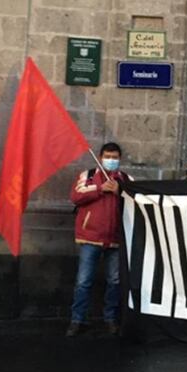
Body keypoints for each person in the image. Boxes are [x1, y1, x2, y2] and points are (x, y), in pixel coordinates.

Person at [68, 143, 130, 337]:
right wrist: (100, 188)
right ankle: (77, 320)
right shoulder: (88, 175)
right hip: (91, 237)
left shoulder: (125, 179)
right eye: (108, 156)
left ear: (120, 159)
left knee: (115, 280)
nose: (111, 160)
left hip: (115, 238)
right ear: (101, 156)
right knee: (83, 281)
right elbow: (76, 196)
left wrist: (119, 191)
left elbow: (135, 200)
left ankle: (110, 319)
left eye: (115, 157)